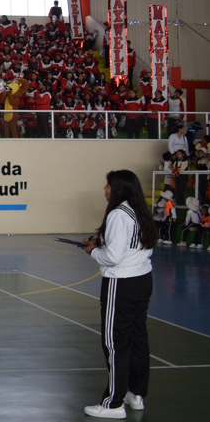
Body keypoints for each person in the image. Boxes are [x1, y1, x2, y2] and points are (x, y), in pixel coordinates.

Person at [81, 170, 157, 419]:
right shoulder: (139, 212)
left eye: (107, 186)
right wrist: (99, 245)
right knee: (137, 338)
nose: (104, 189)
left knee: (115, 342)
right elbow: (129, 247)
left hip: (121, 284)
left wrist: (92, 252)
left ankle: (113, 404)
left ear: (118, 189)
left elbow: (113, 257)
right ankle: (135, 394)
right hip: (142, 280)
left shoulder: (117, 214)